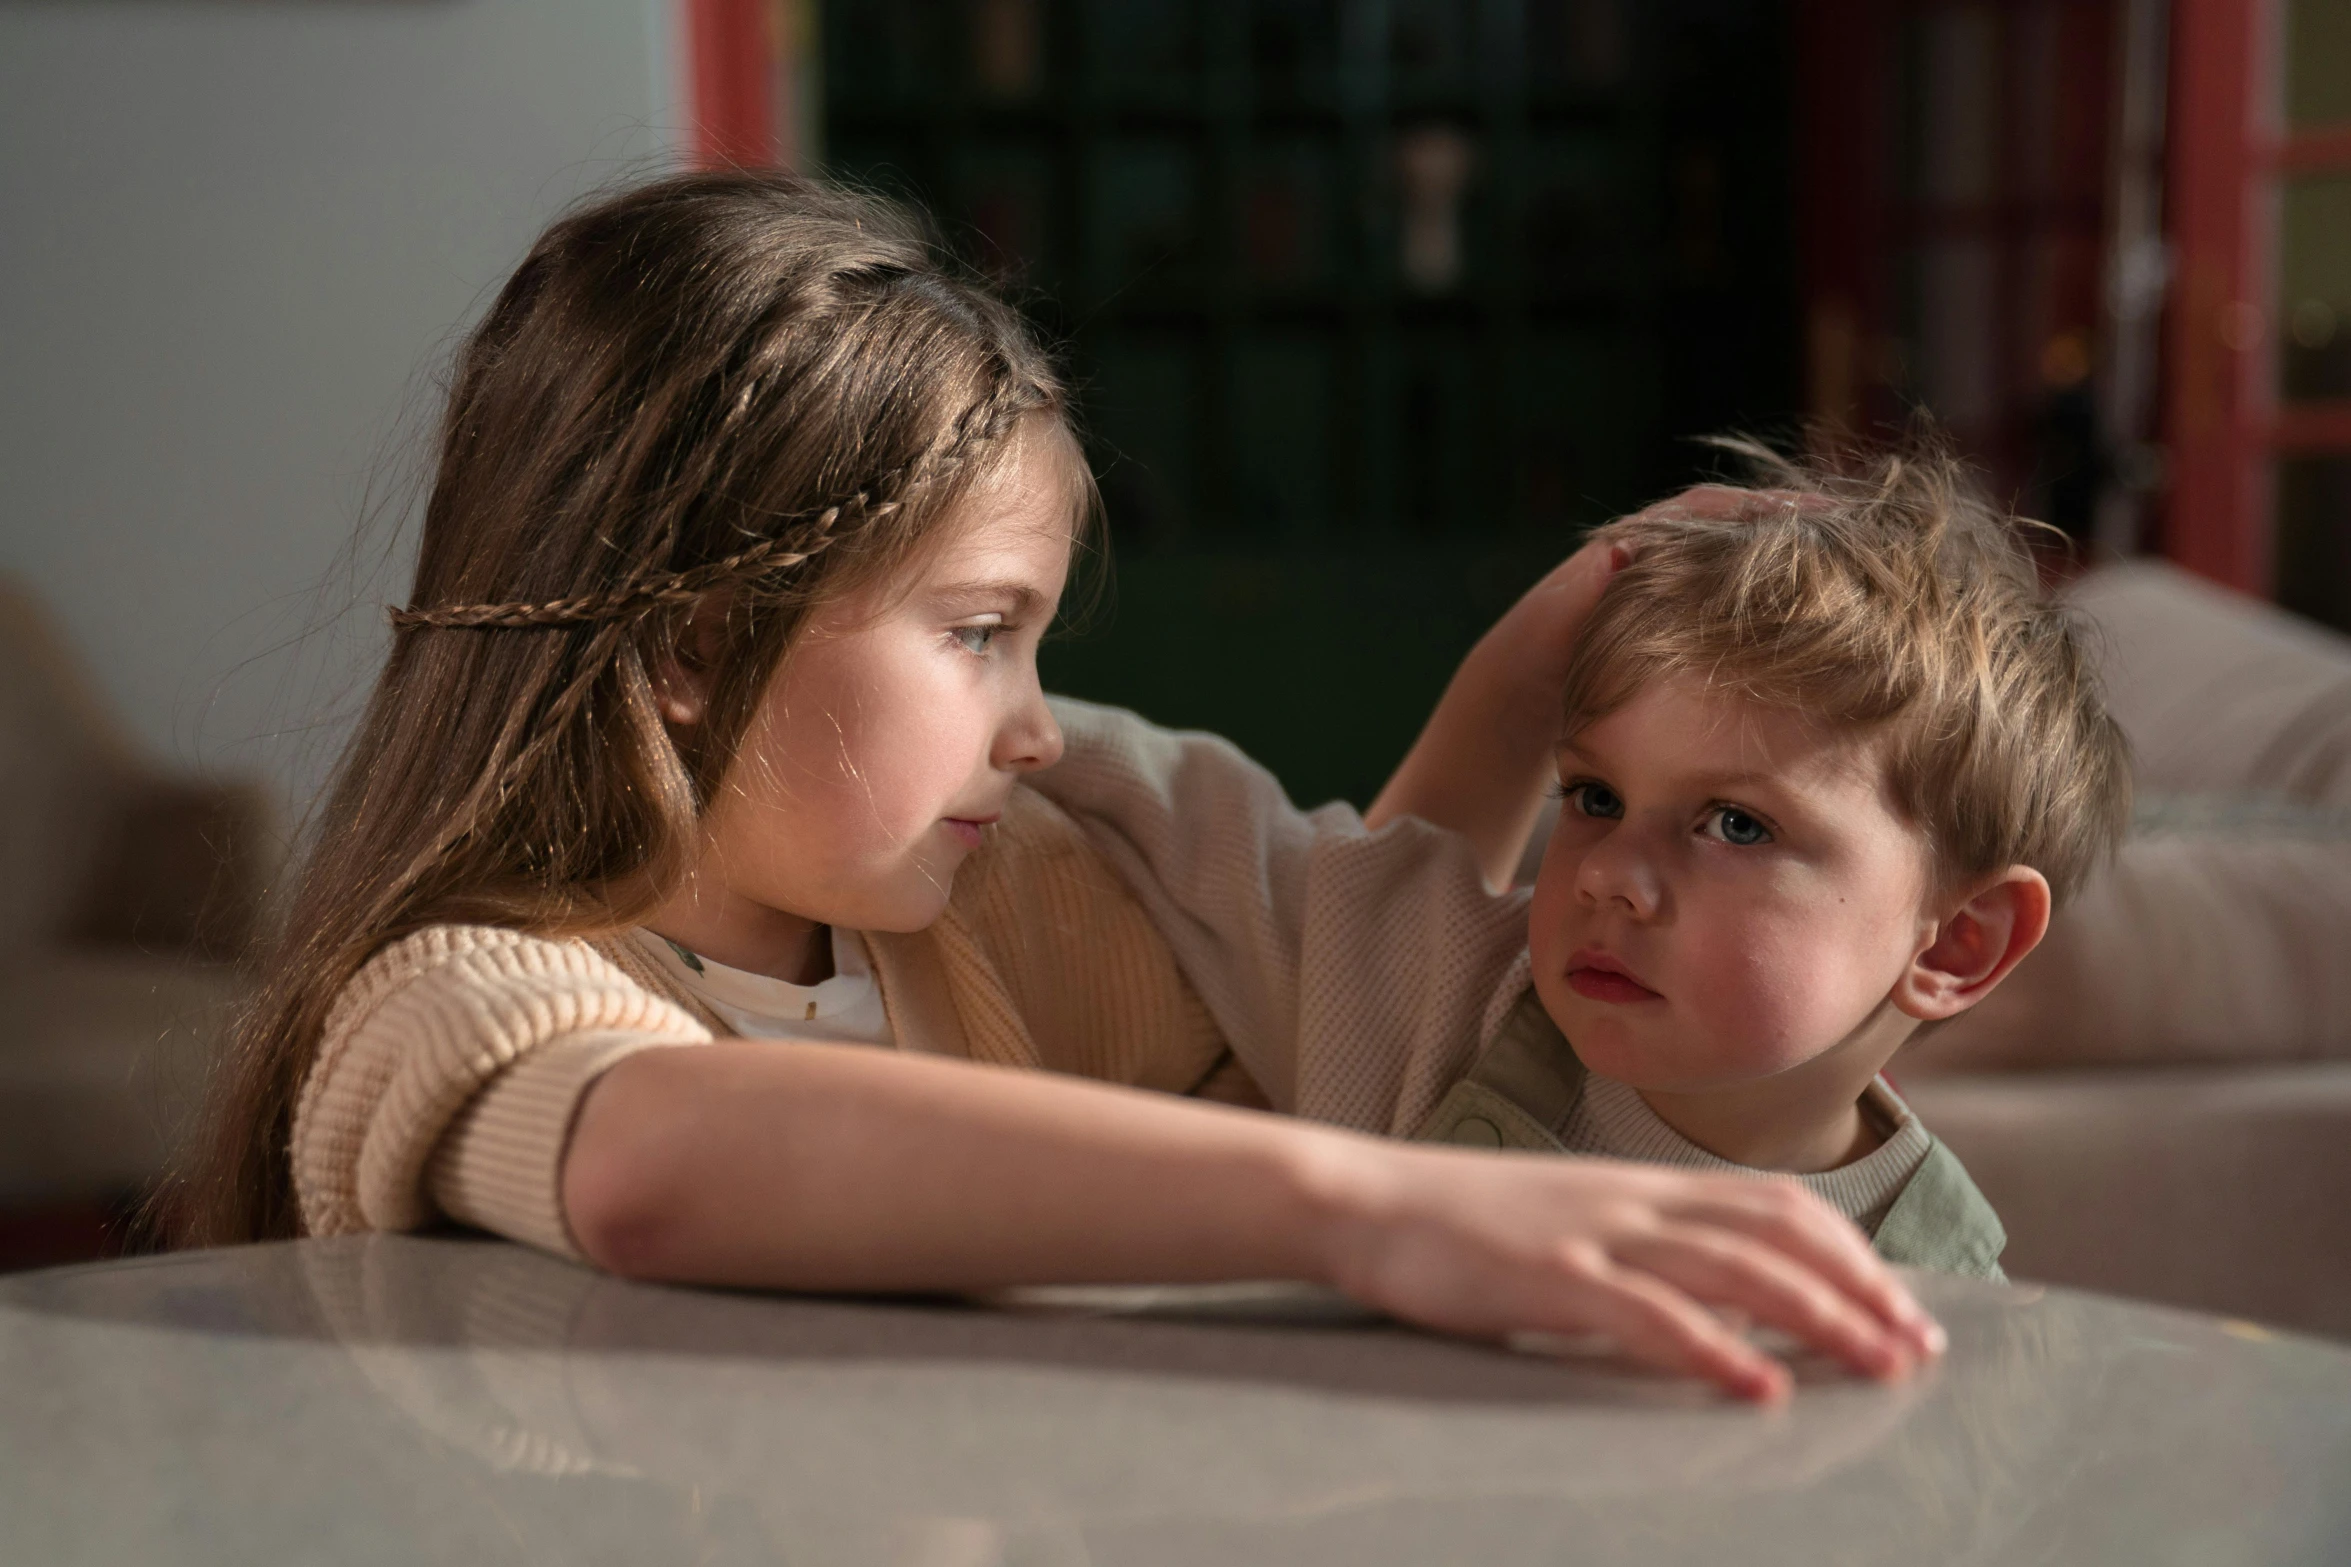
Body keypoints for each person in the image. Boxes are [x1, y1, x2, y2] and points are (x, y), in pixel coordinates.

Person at [170, 171, 1939, 1404]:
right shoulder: (448, 997)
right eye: (978, 632)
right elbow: (653, 1163)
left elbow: (1344, 967)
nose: (1036, 726)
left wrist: (1529, 674)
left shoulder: (1021, 912)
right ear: (700, 644)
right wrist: (1387, 1212)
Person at [1032, 444, 2133, 1282]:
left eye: (1734, 826)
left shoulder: (1944, 1286)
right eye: (1595, 798)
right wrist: (981, 710)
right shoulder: (1445, 991)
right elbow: (1177, 805)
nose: (1607, 872)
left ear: (1955, 940)